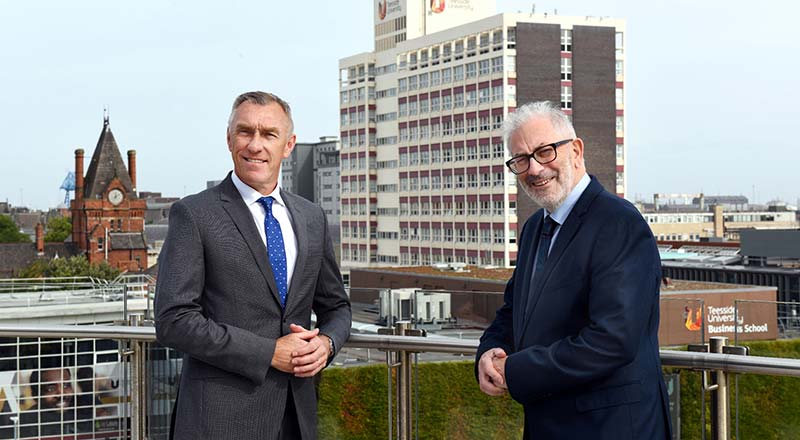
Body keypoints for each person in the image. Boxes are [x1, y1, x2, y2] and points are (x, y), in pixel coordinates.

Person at [155, 91, 352, 440]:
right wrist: (268, 353)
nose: (255, 145)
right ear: (229, 139)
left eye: (269, 134)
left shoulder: (311, 217)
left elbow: (336, 306)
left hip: (297, 416)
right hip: (219, 421)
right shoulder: (194, 214)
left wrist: (326, 344)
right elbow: (174, 320)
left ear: (288, 145)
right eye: (245, 132)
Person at [475, 101, 671, 439]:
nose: (534, 169)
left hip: (610, 429)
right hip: (551, 425)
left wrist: (516, 370)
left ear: (576, 150)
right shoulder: (536, 227)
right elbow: (514, 310)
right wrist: (488, 352)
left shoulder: (619, 222)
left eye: (545, 152)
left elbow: (613, 340)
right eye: (521, 160)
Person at [18, 367, 77, 438]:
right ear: (35, 395)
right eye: (51, 389)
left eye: (66, 385)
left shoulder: (82, 413)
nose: (62, 394)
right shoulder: (24, 424)